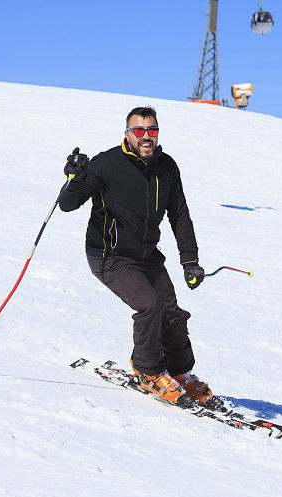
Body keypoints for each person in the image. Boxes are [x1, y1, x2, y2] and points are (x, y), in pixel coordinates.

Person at [59, 106, 220, 409]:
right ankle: (148, 371)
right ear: (128, 134)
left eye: (152, 130)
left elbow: (180, 215)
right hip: (109, 255)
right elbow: (68, 204)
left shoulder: (167, 166)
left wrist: (190, 260)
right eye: (140, 131)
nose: (146, 137)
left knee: (172, 313)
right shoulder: (106, 163)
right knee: (150, 306)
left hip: (147, 255)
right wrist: (75, 178)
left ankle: (179, 374)